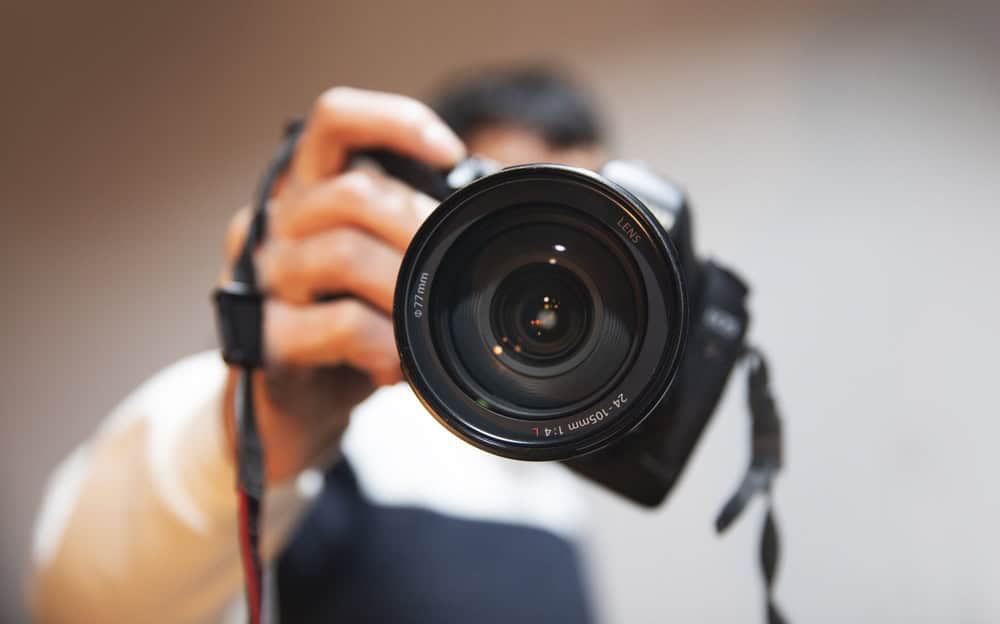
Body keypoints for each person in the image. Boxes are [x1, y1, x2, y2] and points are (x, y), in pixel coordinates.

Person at [28, 68, 610, 624]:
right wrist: (254, 436)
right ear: (424, 208)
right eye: (516, 222)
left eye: (582, 223)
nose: (547, 265)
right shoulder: (335, 413)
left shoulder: (555, 465)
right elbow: (84, 605)